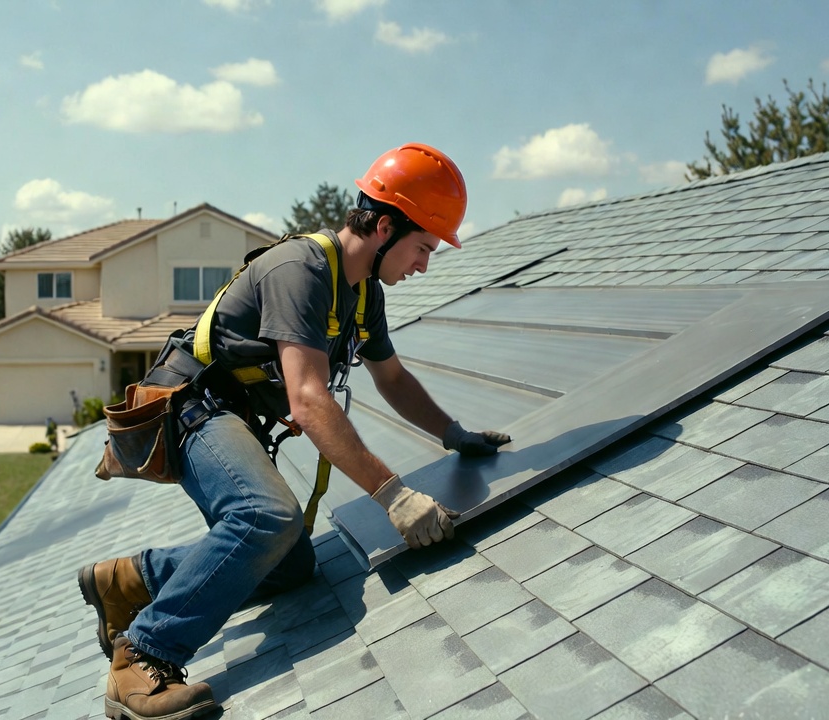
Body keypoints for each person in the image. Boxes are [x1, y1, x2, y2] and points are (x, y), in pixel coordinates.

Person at [77, 142, 512, 720]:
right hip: (193, 407)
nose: (424, 264)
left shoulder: (364, 295)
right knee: (266, 517)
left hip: (234, 416)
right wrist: (395, 497)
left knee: (290, 562)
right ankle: (145, 654)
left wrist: (454, 434)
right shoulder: (301, 269)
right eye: (422, 247)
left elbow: (392, 378)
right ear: (385, 226)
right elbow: (308, 399)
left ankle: (129, 581)